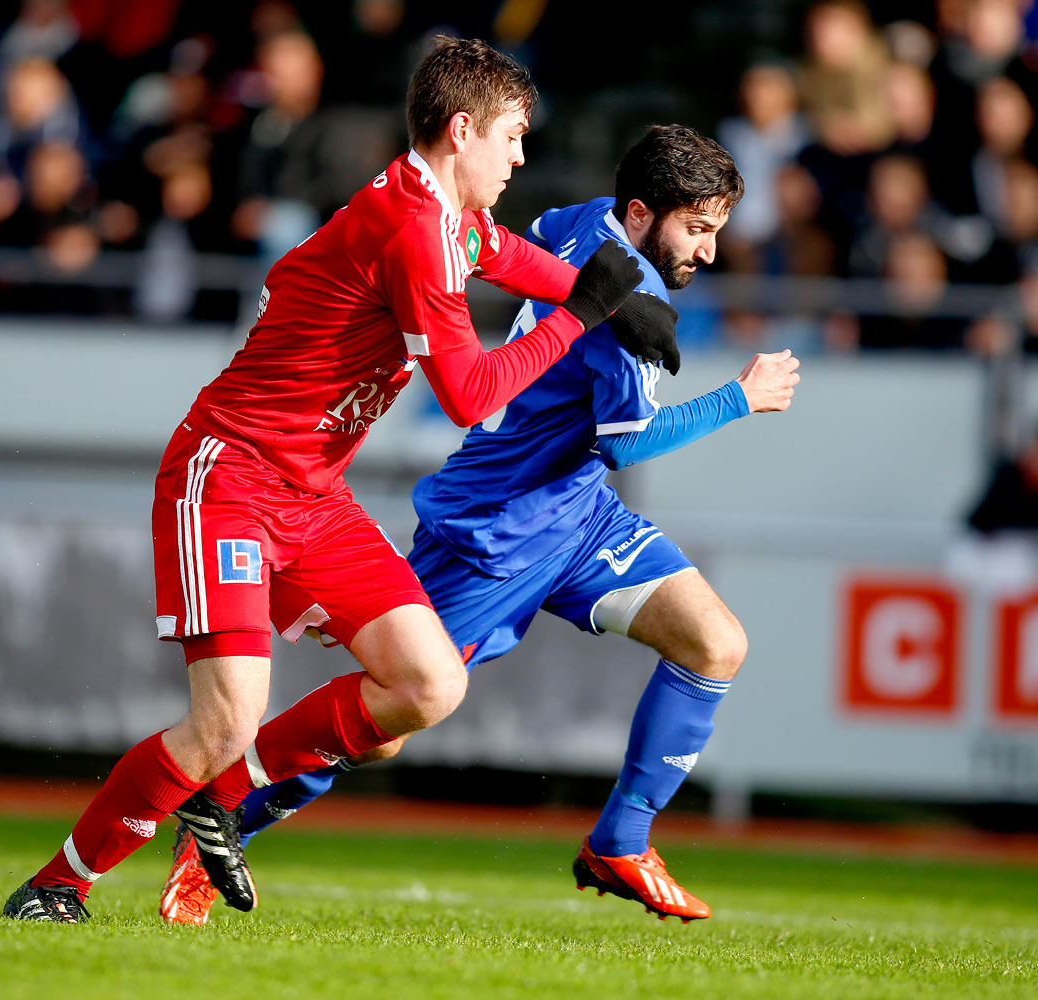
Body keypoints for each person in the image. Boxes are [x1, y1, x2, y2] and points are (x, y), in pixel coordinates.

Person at [2, 36, 674, 924]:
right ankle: (57, 886)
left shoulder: (443, 215)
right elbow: (472, 396)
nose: (520, 157)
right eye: (511, 137)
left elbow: (512, 256)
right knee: (223, 724)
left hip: (310, 496)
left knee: (428, 683)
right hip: (231, 478)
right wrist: (584, 318)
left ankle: (217, 806)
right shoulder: (414, 232)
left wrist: (626, 310)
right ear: (462, 129)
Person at [159, 125, 800, 927]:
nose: (707, 252)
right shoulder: (632, 286)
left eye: (716, 232)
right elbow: (628, 441)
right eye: (697, 230)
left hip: (576, 511)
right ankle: (219, 817)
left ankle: (621, 842)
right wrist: (741, 396)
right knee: (390, 720)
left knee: (715, 642)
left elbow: (523, 245)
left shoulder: (581, 220)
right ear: (641, 213)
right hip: (495, 530)